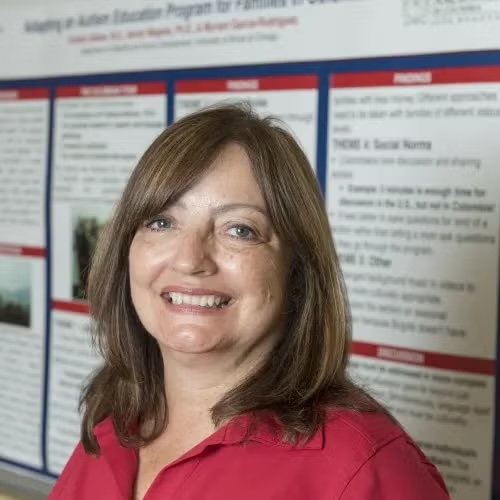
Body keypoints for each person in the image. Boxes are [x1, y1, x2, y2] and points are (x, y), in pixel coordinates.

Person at [49, 104, 450, 499]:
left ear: (297, 269)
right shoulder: (113, 423)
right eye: (161, 222)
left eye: (239, 229)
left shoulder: (366, 471)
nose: (190, 259)